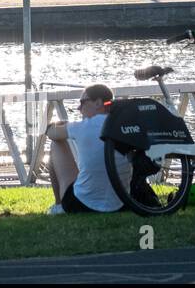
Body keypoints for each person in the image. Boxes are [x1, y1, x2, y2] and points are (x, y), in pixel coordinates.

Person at [44, 83, 131, 214]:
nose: (79, 108)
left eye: (83, 102)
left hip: (81, 204)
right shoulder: (126, 125)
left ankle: (59, 205)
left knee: (56, 144)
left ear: (98, 103)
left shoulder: (83, 126)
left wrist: (56, 125)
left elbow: (52, 133)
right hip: (120, 203)